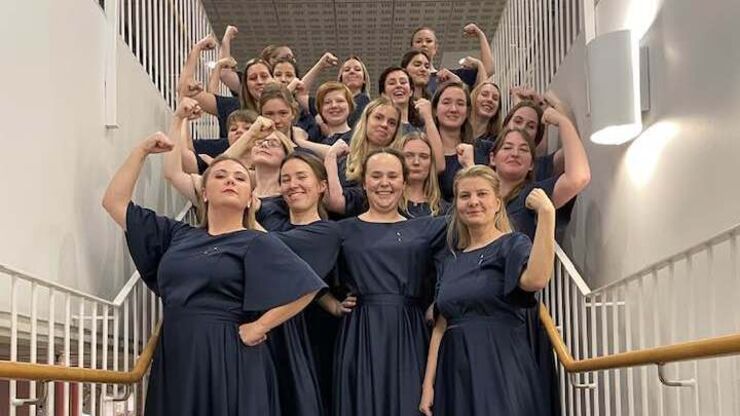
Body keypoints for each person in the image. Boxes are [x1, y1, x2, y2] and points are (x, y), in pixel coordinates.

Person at [101, 124, 326, 415]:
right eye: (220, 176)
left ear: (250, 199)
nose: (230, 181)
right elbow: (114, 202)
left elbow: (307, 285)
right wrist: (141, 151)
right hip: (178, 348)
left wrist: (259, 327)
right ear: (204, 193)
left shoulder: (256, 241)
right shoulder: (177, 235)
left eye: (240, 178)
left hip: (229, 351)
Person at [419, 165, 555, 416]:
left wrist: (547, 214)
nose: (473, 202)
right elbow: (440, 326)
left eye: (482, 194)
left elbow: (536, 280)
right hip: (455, 367)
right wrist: (428, 385)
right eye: (465, 196)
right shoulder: (450, 260)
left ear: (497, 202)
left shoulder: (511, 244)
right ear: (457, 205)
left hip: (500, 361)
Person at [333, 148, 447, 416]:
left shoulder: (428, 228)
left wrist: (438, 303)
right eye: (376, 176)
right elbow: (300, 264)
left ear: (404, 183)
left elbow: (461, 260)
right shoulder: (342, 230)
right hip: (359, 331)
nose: (384, 183)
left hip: (409, 330)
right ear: (364, 183)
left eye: (393, 176)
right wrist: (330, 304)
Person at [323, 96, 403, 217]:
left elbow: (337, 203)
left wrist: (330, 157)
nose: (385, 125)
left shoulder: (398, 167)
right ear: (366, 120)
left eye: (392, 123)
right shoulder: (342, 160)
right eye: (378, 118)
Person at [432, 81, 493, 201]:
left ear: (467, 111)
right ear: (434, 110)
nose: (453, 109)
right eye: (446, 102)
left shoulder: (485, 149)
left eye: (460, 104)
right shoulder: (424, 152)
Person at [410, 23, 494, 94]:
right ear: (412, 48)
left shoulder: (449, 77)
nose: (424, 44)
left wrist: (480, 35)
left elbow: (487, 70)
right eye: (418, 41)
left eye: (428, 41)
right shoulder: (403, 79)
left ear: (435, 48)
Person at [302, 54, 372, 128]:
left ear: (364, 79)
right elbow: (301, 93)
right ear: (341, 79)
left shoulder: (364, 101)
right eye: (347, 70)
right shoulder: (328, 105)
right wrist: (320, 64)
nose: (352, 71)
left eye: (357, 69)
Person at [399, 132, 449, 218]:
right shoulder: (386, 204)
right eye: (409, 156)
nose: (416, 162)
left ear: (431, 163)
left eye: (423, 156)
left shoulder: (445, 211)